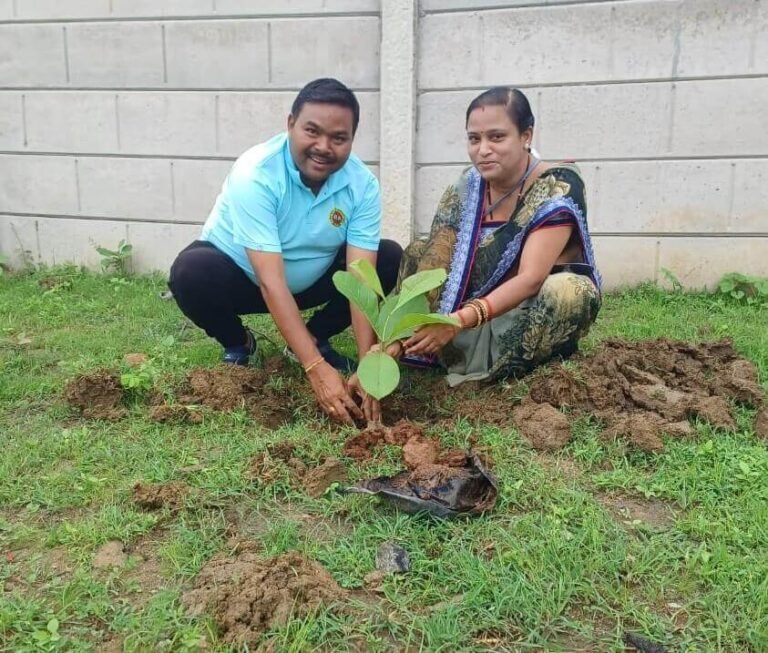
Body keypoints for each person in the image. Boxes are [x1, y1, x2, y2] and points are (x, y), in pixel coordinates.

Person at [169, 78, 402, 423]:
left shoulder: (361, 185)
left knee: (388, 256)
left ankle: (314, 337)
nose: (323, 146)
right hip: (247, 280)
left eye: (339, 138)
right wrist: (315, 368)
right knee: (191, 272)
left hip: (311, 283)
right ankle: (239, 343)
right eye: (312, 131)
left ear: (352, 139)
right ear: (291, 124)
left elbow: (360, 280)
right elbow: (271, 282)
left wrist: (369, 362)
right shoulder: (257, 174)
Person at [393, 86, 601, 386]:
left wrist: (457, 322)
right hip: (461, 318)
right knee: (418, 250)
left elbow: (530, 278)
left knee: (569, 290)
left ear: (526, 136)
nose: (483, 149)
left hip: (521, 315)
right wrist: (401, 339)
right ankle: (425, 350)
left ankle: (516, 372)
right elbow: (435, 263)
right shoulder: (467, 187)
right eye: (474, 139)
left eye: (497, 137)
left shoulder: (558, 185)